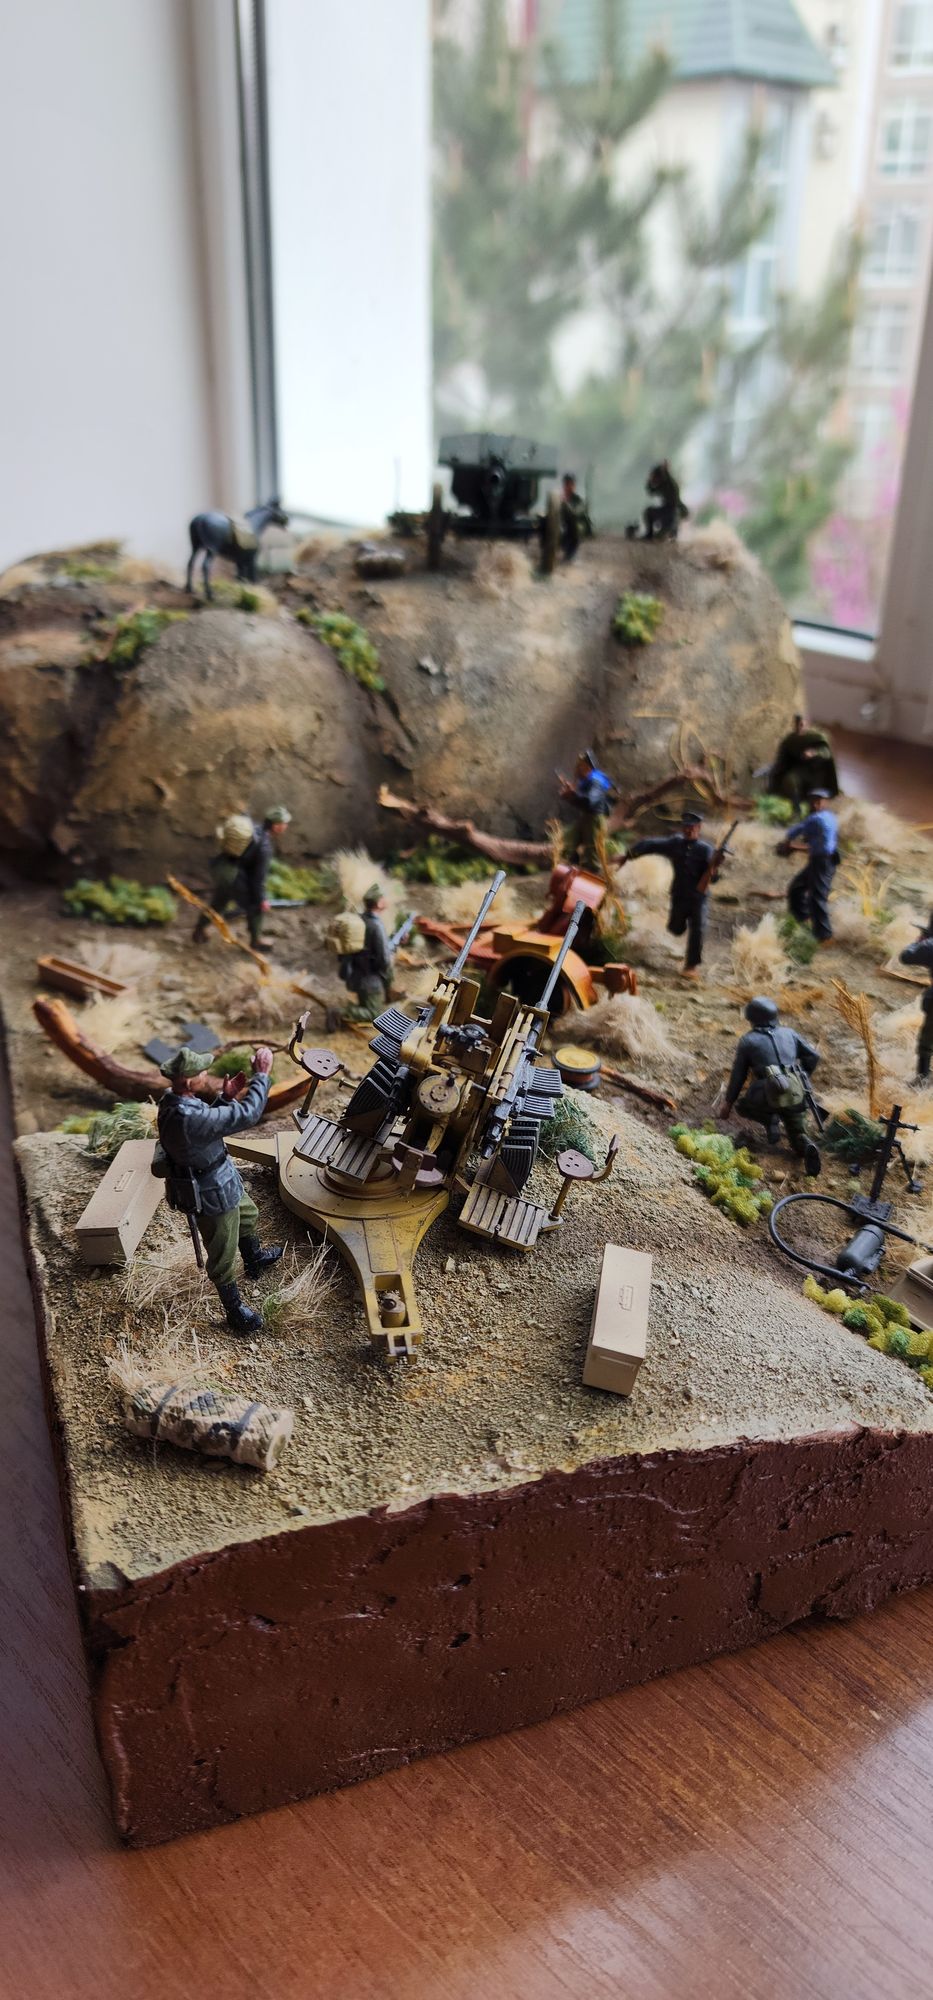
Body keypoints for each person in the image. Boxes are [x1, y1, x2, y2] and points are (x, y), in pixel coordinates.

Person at [153, 1044, 283, 1332]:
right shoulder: (186, 1116)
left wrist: (225, 1098)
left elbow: (204, 1128)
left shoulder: (178, 1101)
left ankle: (254, 1260)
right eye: (202, 1072)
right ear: (189, 1081)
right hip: (210, 1193)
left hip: (222, 1177)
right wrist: (261, 1076)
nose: (206, 1074)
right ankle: (235, 1311)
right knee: (222, 1251)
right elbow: (248, 1115)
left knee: (248, 1216)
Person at [722, 996, 822, 1175]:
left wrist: (728, 1102)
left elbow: (738, 1075)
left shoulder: (748, 1041)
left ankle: (770, 1120)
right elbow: (813, 1056)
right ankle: (805, 1144)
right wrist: (801, 1076)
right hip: (795, 1093)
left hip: (767, 1096)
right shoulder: (790, 1033)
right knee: (796, 1131)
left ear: (752, 1018)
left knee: (743, 1106)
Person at [619, 810, 715, 978]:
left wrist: (714, 868)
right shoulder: (675, 843)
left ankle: (691, 965)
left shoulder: (706, 850)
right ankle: (679, 927)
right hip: (679, 895)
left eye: (692, 827)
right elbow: (650, 844)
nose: (689, 830)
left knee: (698, 928)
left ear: (699, 828)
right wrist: (629, 855)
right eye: (686, 827)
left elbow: (714, 878)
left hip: (698, 898)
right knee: (675, 928)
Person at [193, 803, 292, 949]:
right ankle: (256, 941)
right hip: (232, 876)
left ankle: (198, 931)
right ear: (276, 826)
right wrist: (262, 899)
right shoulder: (264, 846)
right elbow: (258, 879)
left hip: (221, 868)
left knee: (218, 903)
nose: (286, 826)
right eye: (284, 823)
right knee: (255, 905)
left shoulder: (252, 829)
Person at [775, 789, 839, 943]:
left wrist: (788, 844)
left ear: (822, 803)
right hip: (821, 859)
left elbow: (795, 832)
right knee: (796, 888)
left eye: (817, 801)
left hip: (822, 861)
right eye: (812, 801)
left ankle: (824, 936)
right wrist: (793, 845)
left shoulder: (816, 819)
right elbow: (814, 844)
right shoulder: (830, 817)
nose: (814, 804)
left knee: (817, 897)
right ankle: (802, 919)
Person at [341, 885, 395, 1019]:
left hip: (356, 976)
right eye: (384, 898)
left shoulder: (359, 919)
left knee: (367, 1004)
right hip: (371, 981)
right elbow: (384, 960)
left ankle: (355, 1009)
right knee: (375, 1015)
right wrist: (384, 976)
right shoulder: (376, 926)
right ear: (379, 903)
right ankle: (340, 1012)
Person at [557, 750, 616, 865]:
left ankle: (594, 873)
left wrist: (573, 794)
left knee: (593, 855)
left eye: (580, 766)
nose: (577, 769)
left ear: (587, 767)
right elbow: (582, 802)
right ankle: (572, 864)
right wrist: (570, 796)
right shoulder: (586, 781)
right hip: (586, 818)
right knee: (568, 842)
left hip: (594, 820)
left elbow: (589, 801)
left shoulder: (596, 781)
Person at [769, 714, 838, 807]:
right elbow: (783, 758)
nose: (800, 728)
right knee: (790, 781)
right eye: (798, 725)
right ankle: (796, 805)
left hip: (816, 772)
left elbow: (826, 753)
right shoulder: (790, 740)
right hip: (799, 770)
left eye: (802, 724)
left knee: (815, 792)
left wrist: (814, 752)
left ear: (807, 725)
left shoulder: (816, 737)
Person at [899, 912, 933, 1085]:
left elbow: (905, 956)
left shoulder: (929, 945)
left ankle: (921, 1081)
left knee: (926, 1044)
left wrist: (920, 940)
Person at [559, 472, 593, 561]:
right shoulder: (560, 499)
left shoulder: (579, 499)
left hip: (577, 527)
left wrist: (565, 505)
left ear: (574, 486)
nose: (569, 487)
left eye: (571, 484)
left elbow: (576, 513)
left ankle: (571, 553)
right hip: (564, 527)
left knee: (575, 528)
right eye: (567, 484)